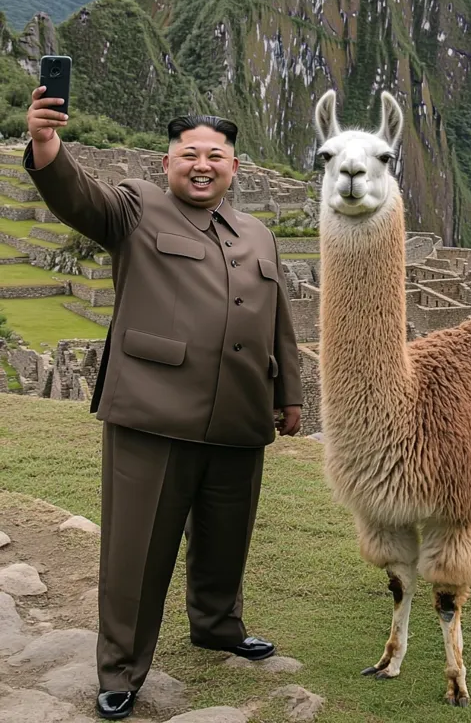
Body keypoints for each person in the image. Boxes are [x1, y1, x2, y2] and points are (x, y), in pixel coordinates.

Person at [25, 89, 303, 721]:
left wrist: (289, 397)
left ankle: (217, 625)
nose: (202, 165)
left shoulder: (257, 233)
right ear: (166, 162)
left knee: (226, 536)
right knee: (138, 549)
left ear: (233, 166)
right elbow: (77, 197)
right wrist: (47, 144)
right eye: (189, 155)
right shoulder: (135, 208)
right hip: (153, 411)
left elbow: (279, 319)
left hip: (239, 415)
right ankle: (120, 668)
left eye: (217, 155)